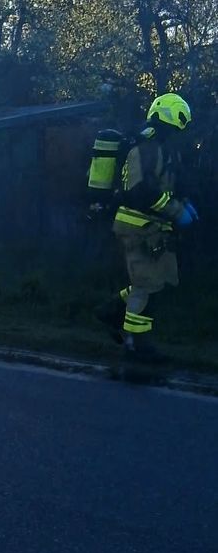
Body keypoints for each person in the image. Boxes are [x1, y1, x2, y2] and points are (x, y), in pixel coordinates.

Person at [95, 93, 197, 361]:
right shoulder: (145, 148)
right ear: (165, 119)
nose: (177, 133)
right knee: (146, 286)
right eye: (175, 127)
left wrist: (183, 202)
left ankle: (110, 312)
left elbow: (167, 183)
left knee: (156, 282)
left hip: (154, 226)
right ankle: (135, 346)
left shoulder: (160, 147)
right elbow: (141, 191)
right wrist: (177, 211)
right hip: (138, 226)